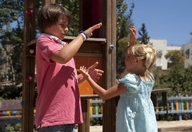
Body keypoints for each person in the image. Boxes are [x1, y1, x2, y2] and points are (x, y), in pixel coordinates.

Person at [35, 3, 104, 132]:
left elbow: (67, 82)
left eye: (67, 26)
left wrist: (86, 75)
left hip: (69, 117)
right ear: (47, 23)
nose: (66, 29)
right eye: (62, 25)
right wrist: (83, 35)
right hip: (53, 118)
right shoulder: (44, 41)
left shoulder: (63, 47)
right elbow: (63, 57)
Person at [79, 32, 158, 131]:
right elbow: (134, 60)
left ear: (137, 61)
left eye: (127, 58)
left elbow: (104, 95)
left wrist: (88, 78)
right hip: (146, 126)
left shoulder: (131, 81)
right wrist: (131, 43)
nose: (125, 60)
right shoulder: (148, 79)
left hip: (131, 126)